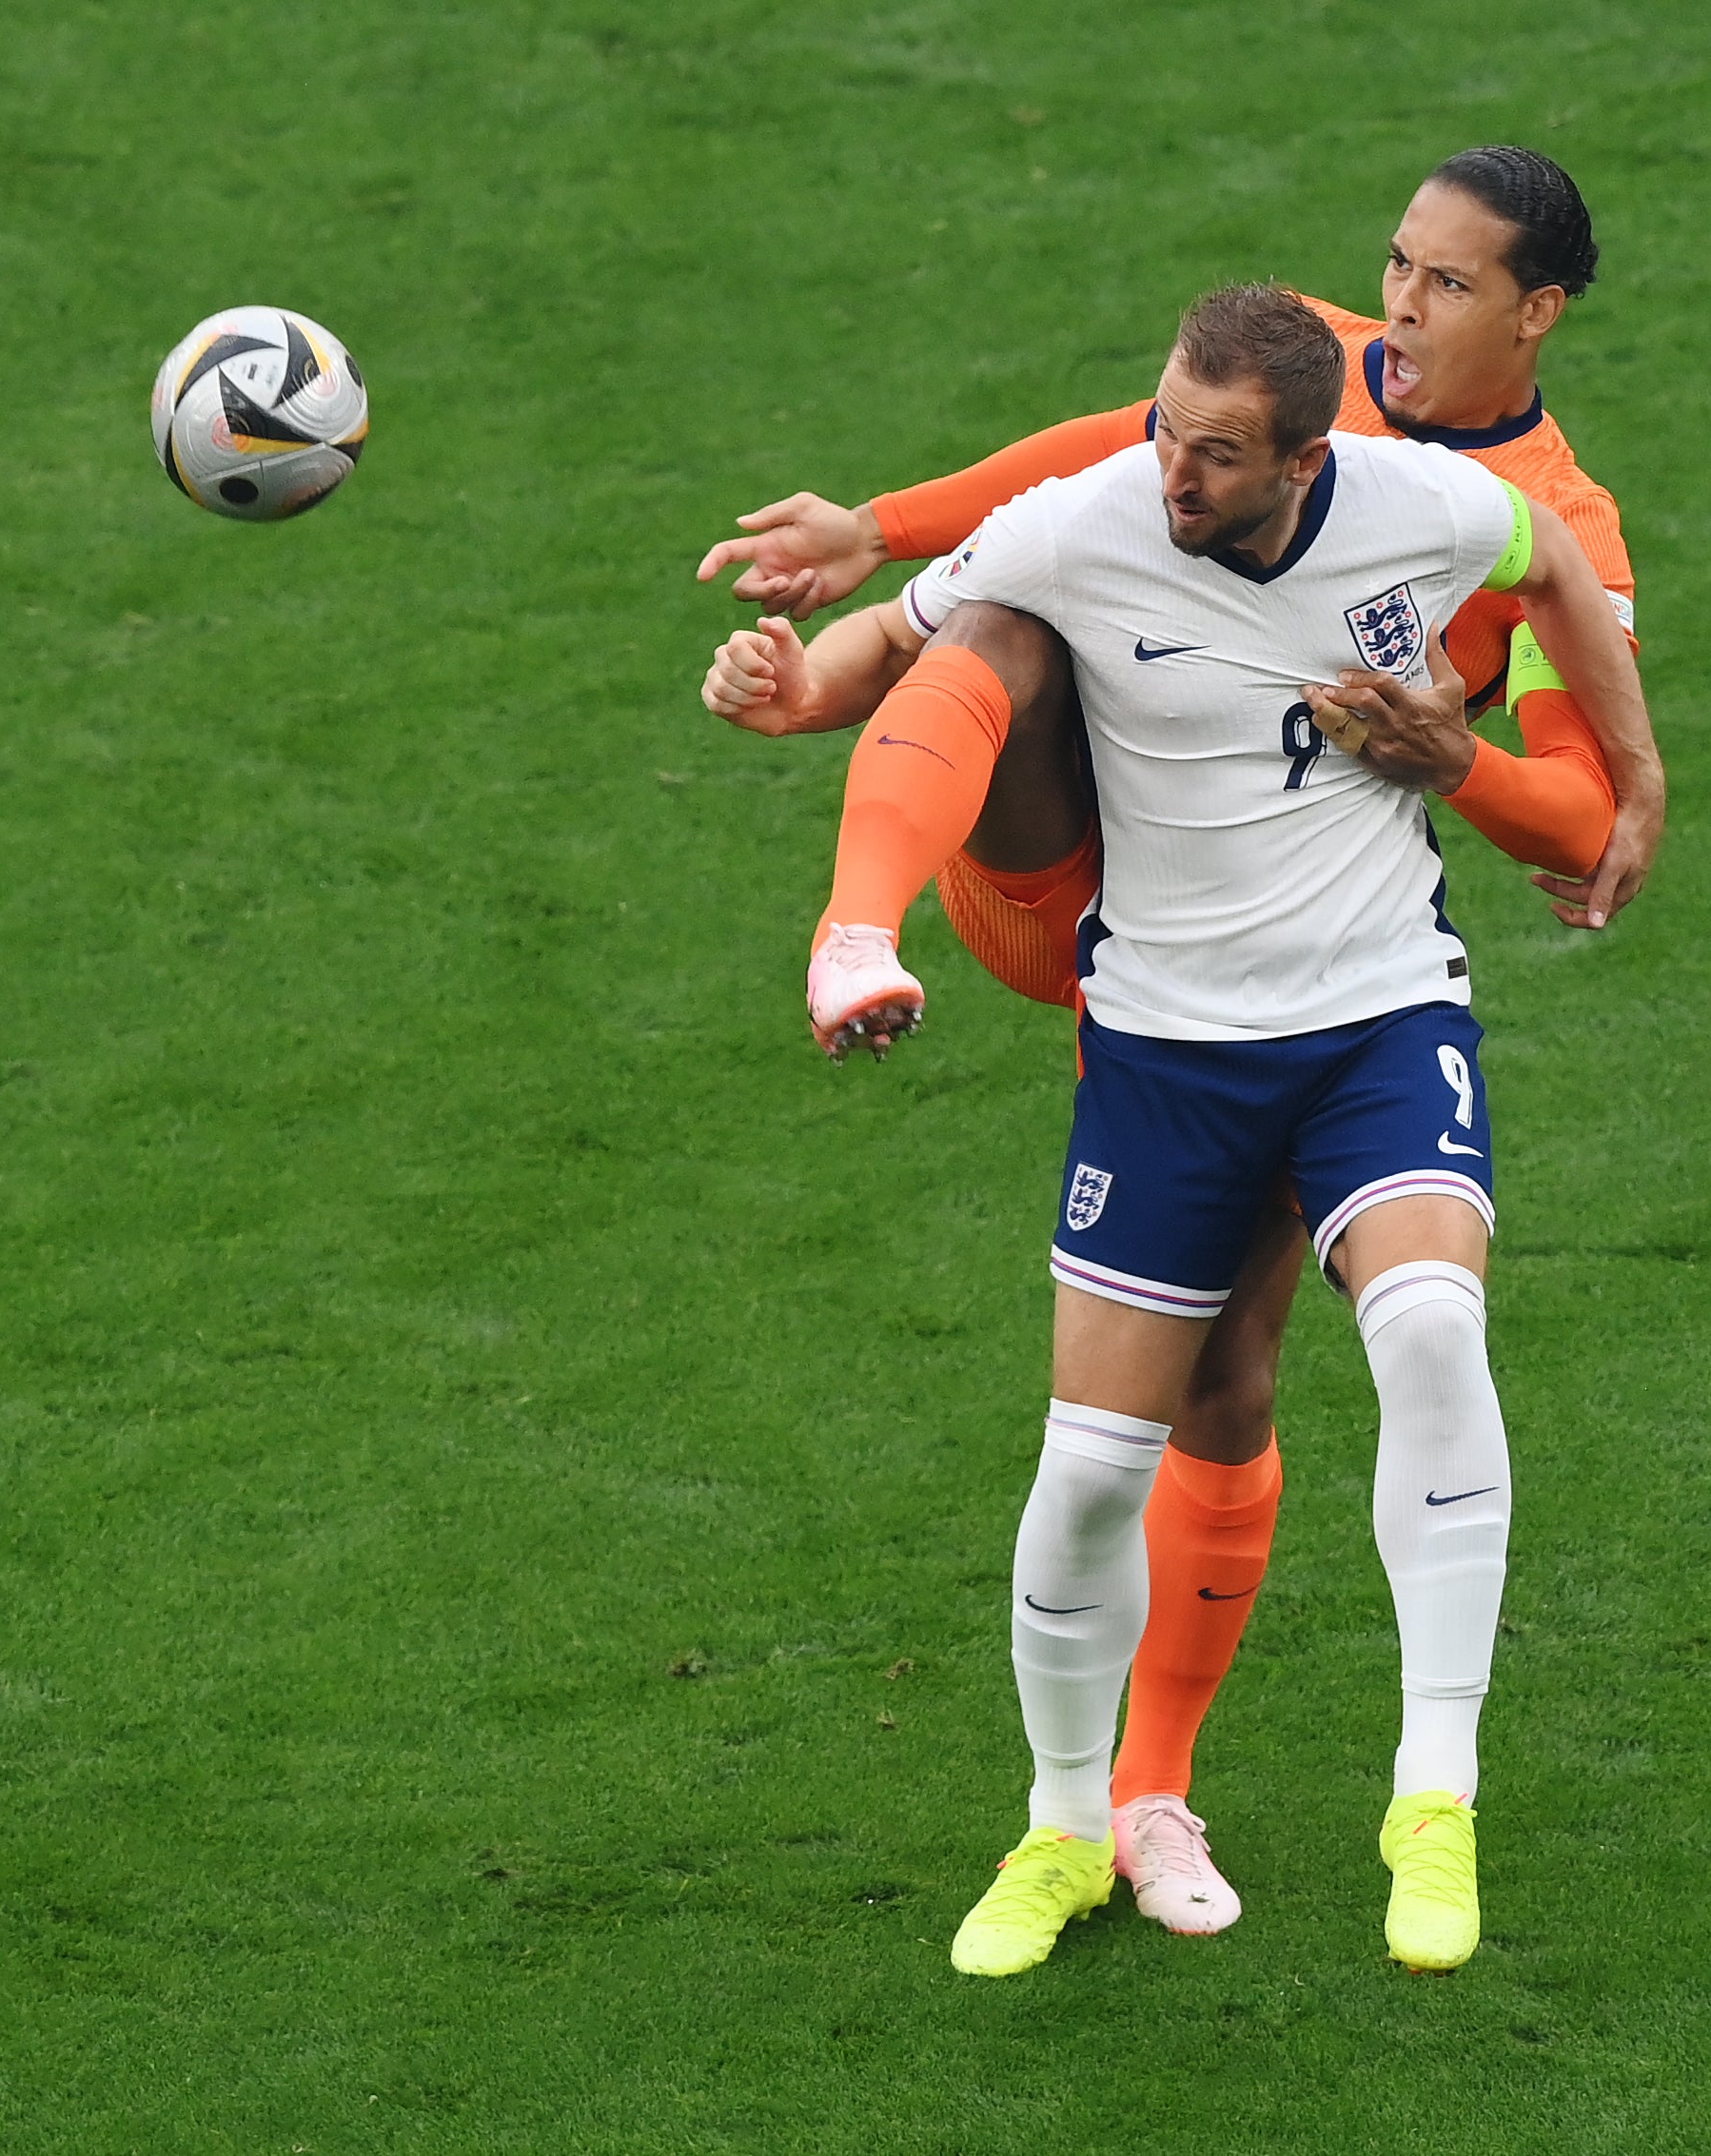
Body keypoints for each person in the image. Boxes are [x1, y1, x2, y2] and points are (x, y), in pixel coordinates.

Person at [698, 151, 1662, 1940]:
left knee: (1249, 1386)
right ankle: (855, 928)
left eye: (1445, 289)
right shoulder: (1256, 410)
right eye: (1393, 268)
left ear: (1537, 313)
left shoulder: (1490, 509)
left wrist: (1482, 761)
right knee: (1011, 618)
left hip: (1334, 979)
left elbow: (1571, 784)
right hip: (1081, 901)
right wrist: (868, 546)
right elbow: (1076, 467)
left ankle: (1237, 1803)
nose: (1396, 314)